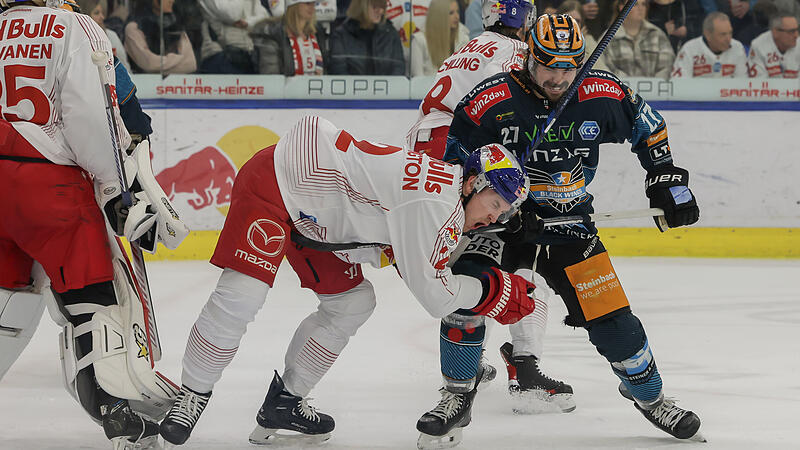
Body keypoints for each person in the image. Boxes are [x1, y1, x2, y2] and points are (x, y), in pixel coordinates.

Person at [415, 13, 704, 446]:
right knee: (467, 294)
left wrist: (665, 178)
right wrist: (486, 199)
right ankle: (456, 394)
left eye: (569, 65)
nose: (559, 76)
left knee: (616, 324)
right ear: (530, 55)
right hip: (501, 224)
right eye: (549, 64)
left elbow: (650, 126)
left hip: (570, 223)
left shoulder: (601, 92)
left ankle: (653, 398)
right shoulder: (492, 98)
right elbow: (453, 156)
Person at [158, 115, 536, 446]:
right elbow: (436, 298)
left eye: (504, 211)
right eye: (495, 203)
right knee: (242, 295)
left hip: (316, 218)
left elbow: (399, 245)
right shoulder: (435, 205)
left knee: (353, 301)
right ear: (473, 183)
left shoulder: (443, 197)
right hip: (275, 183)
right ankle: (191, 396)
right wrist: (493, 290)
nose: (495, 218)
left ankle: (285, 403)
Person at [0, 1, 188, 449]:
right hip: (52, 185)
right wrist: (116, 191)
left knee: (8, 304)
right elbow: (91, 114)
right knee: (94, 301)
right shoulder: (73, 24)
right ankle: (114, 410)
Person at [328, 0, 405, 74]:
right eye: (375, 7)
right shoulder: (341, 35)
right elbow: (338, 71)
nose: (380, 11)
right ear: (360, 7)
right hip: (352, 87)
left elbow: (398, 68)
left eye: (382, 7)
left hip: (387, 87)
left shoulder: (390, 33)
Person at [603, 0, 675, 79]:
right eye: (635, 4)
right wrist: (627, 86)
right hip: (619, 89)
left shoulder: (657, 35)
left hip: (655, 88)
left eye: (644, 4)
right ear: (622, 7)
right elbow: (604, 67)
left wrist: (654, 84)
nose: (641, 8)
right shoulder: (608, 38)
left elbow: (667, 65)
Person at [254, 0, 328, 75]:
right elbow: (271, 75)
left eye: (314, 4)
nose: (313, 8)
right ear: (294, 5)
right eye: (307, 4)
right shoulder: (274, 35)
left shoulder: (317, 32)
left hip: (315, 85)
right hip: (285, 86)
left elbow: (325, 70)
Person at [124, 0, 197, 73]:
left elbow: (191, 64)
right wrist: (180, 59)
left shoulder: (175, 23)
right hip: (143, 82)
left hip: (174, 83)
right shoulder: (133, 27)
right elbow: (149, 63)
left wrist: (161, 66)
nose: (172, 1)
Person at [197, 0, 268, 74]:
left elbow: (264, 18)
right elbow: (232, 14)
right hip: (220, 56)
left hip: (248, 57)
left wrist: (248, 22)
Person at [671, 12, 747, 78]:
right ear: (708, 35)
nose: (728, 39)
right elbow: (680, 84)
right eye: (723, 34)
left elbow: (743, 83)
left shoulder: (737, 47)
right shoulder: (689, 49)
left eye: (730, 33)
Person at [409, 0, 469, 76]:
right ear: (438, 16)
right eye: (451, 13)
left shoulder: (463, 39)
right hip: (426, 87)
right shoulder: (419, 41)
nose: (457, 17)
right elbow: (417, 78)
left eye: (457, 12)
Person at [77, 0, 131, 70]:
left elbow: (124, 66)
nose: (102, 17)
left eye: (102, 13)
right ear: (84, 16)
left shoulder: (111, 35)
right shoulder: (76, 40)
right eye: (97, 13)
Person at [747, 13, 800, 77]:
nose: (796, 36)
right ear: (775, 32)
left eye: (797, 30)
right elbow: (759, 82)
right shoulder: (758, 45)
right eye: (791, 31)